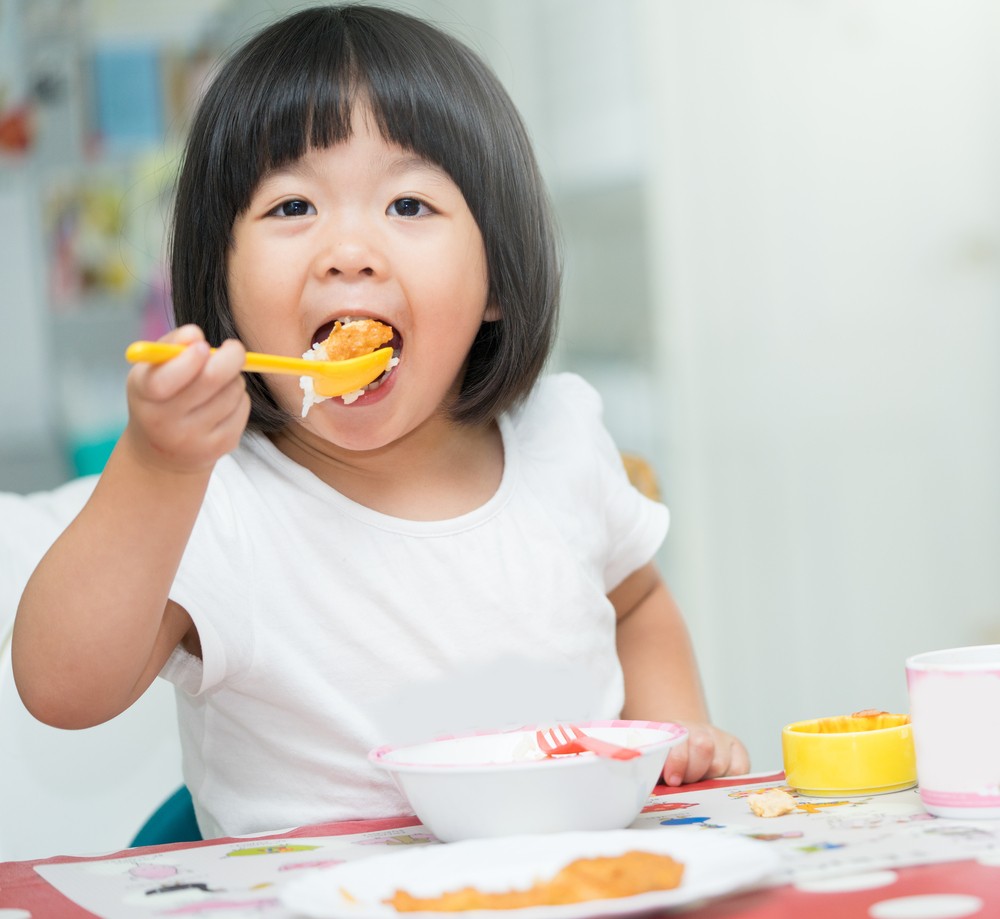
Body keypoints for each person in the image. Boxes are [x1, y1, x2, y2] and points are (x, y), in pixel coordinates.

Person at [13, 4, 748, 839]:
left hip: (577, 879)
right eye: (293, 206)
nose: (349, 251)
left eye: (407, 204)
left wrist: (676, 735)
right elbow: (61, 689)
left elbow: (639, 600)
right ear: (221, 284)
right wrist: (156, 469)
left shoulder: (562, 438)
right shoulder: (216, 502)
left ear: (497, 278)